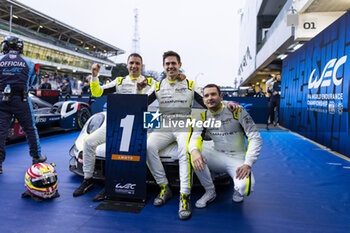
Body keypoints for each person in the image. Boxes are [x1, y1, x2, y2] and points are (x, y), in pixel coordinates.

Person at [146, 51, 240, 220]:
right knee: (148, 147)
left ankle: (184, 196)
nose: (170, 66)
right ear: (163, 66)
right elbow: (139, 102)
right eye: (167, 64)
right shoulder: (158, 86)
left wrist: (227, 104)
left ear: (179, 65)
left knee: (185, 151)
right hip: (165, 124)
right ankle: (164, 187)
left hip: (184, 124)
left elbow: (208, 99)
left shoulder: (190, 84)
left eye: (173, 63)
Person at [72, 53, 156, 200]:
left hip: (137, 126)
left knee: (122, 151)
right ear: (127, 65)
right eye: (131, 63)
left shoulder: (151, 82)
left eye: (137, 63)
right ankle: (88, 180)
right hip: (115, 122)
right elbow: (96, 92)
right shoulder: (119, 81)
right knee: (89, 142)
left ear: (141, 66)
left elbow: (143, 103)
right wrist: (94, 75)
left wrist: (139, 89)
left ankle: (112, 185)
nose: (134, 66)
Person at [189, 84, 262, 208]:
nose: (210, 98)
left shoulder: (237, 111)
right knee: (193, 154)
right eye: (206, 95)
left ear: (221, 96)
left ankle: (237, 190)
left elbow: (255, 138)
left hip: (237, 158)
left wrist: (248, 164)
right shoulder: (202, 117)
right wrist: (195, 151)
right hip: (216, 154)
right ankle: (210, 191)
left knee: (245, 188)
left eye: (213, 94)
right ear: (203, 100)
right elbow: (195, 138)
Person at [0, 36, 47, 174]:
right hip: (21, 100)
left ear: (5, 46)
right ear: (20, 47)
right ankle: (36, 157)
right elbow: (32, 82)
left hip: (1, 99)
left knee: (0, 131)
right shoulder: (30, 63)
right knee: (30, 129)